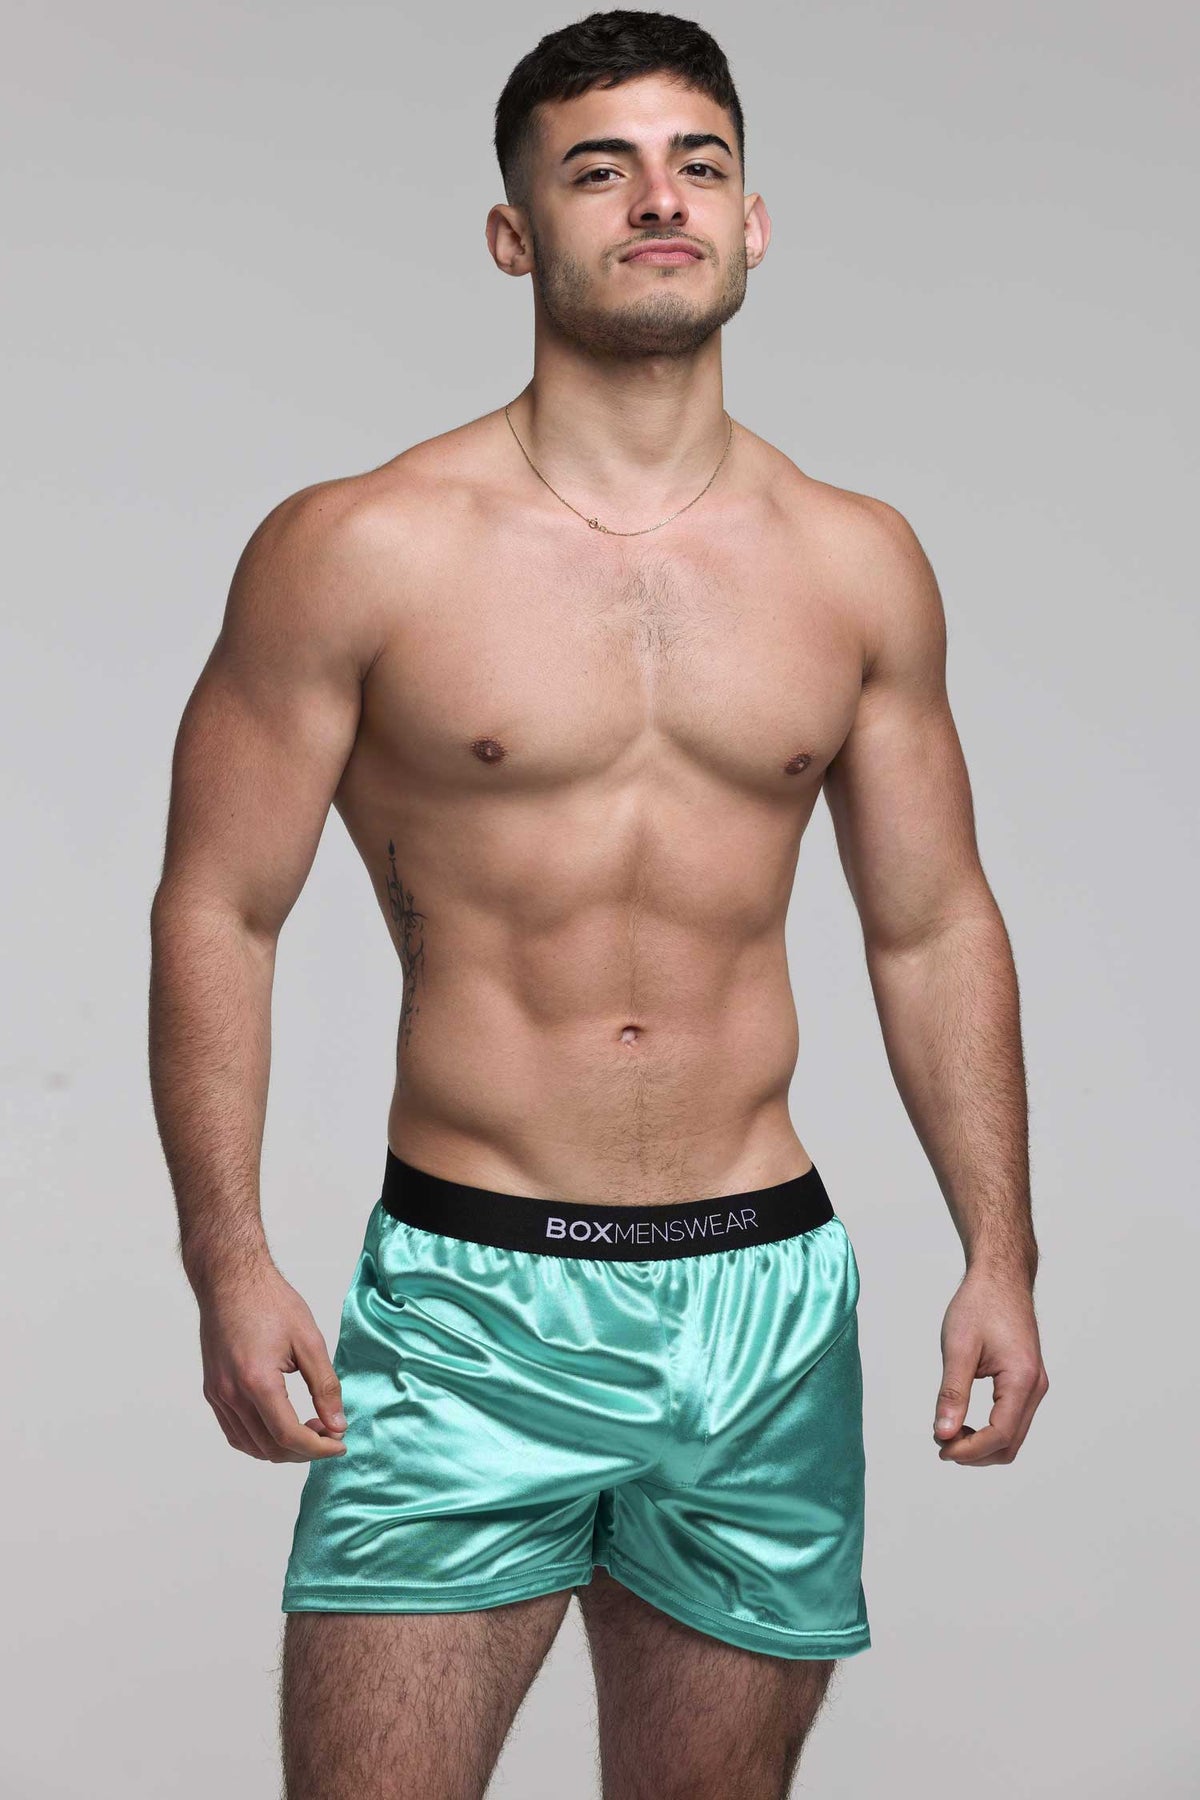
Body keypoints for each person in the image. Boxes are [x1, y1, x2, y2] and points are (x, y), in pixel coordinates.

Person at [148, 10, 1049, 1797]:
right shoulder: (361, 548)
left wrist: (999, 1254)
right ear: (514, 235)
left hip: (765, 1298)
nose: (659, 199)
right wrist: (226, 1259)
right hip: (472, 1301)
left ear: (752, 221)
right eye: (600, 169)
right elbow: (218, 910)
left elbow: (932, 921)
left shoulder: (856, 563)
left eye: (697, 164)